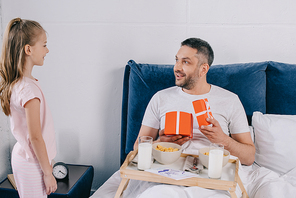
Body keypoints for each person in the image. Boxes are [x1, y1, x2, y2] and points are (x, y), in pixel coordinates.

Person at [134, 37, 255, 166]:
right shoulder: (161, 98)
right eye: (177, 60)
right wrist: (161, 143)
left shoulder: (230, 100)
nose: (177, 67)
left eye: (185, 62)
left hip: (211, 168)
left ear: (203, 69)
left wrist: (223, 139)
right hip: (170, 167)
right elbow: (136, 149)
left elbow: (249, 158)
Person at [0, 18, 57, 197]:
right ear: (28, 49)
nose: (47, 50)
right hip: (32, 162)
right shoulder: (28, 90)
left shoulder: (19, 84)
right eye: (44, 45)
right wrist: (48, 172)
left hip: (25, 157)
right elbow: (35, 137)